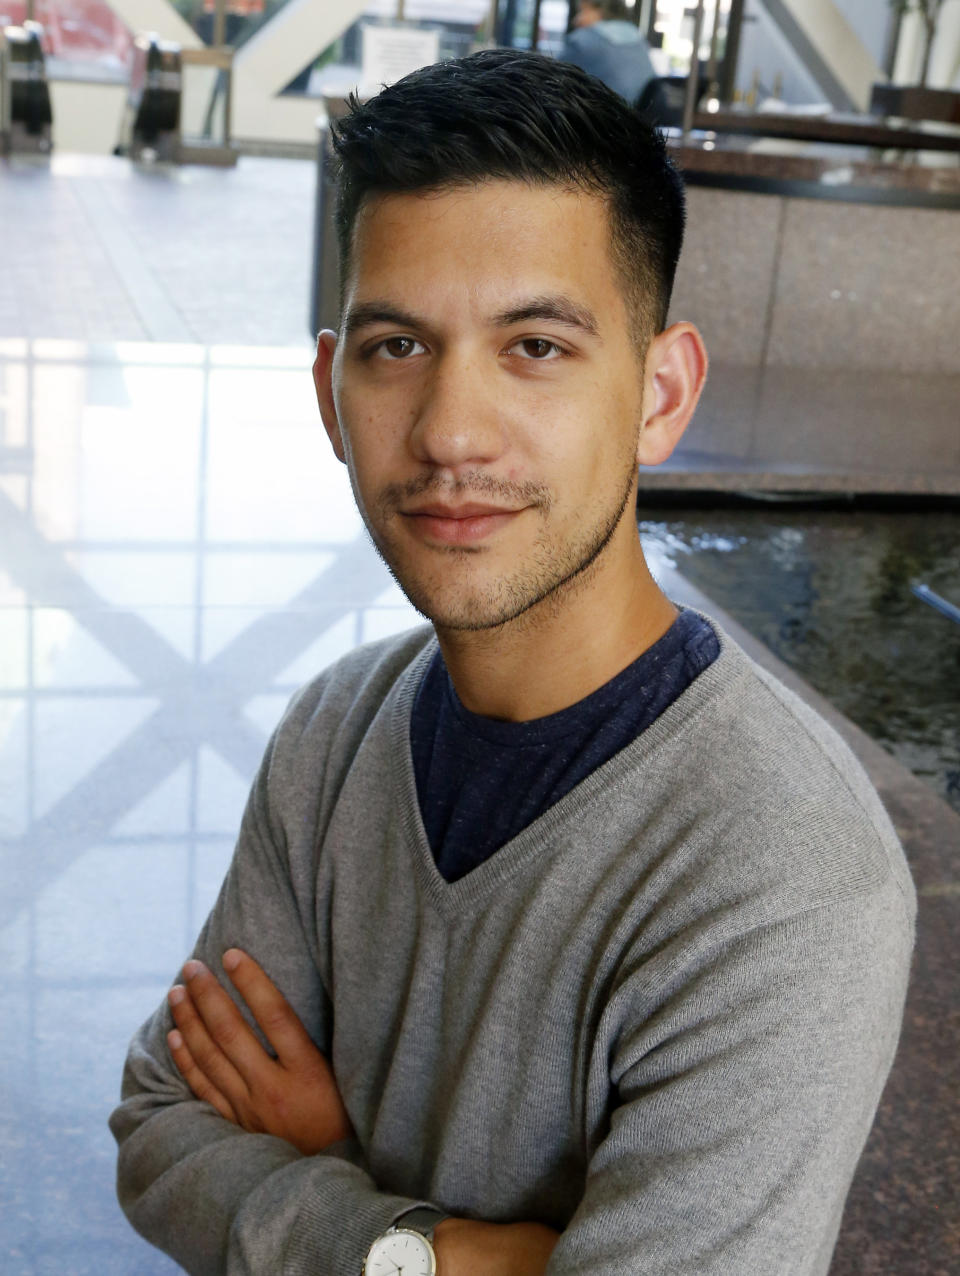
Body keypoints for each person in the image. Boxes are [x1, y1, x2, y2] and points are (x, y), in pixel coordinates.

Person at [110, 49, 915, 1276]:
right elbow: (162, 1131)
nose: (449, 432)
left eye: (536, 346)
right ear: (330, 392)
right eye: (396, 348)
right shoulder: (337, 731)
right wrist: (470, 1252)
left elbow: (214, 1175)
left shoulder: (789, 875)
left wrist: (338, 1194)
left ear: (659, 393)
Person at [559, 0, 661, 112]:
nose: (576, 20)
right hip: (643, 119)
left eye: (582, 11)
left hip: (605, 119)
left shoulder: (581, 40)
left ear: (600, 10)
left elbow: (552, 83)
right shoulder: (639, 39)